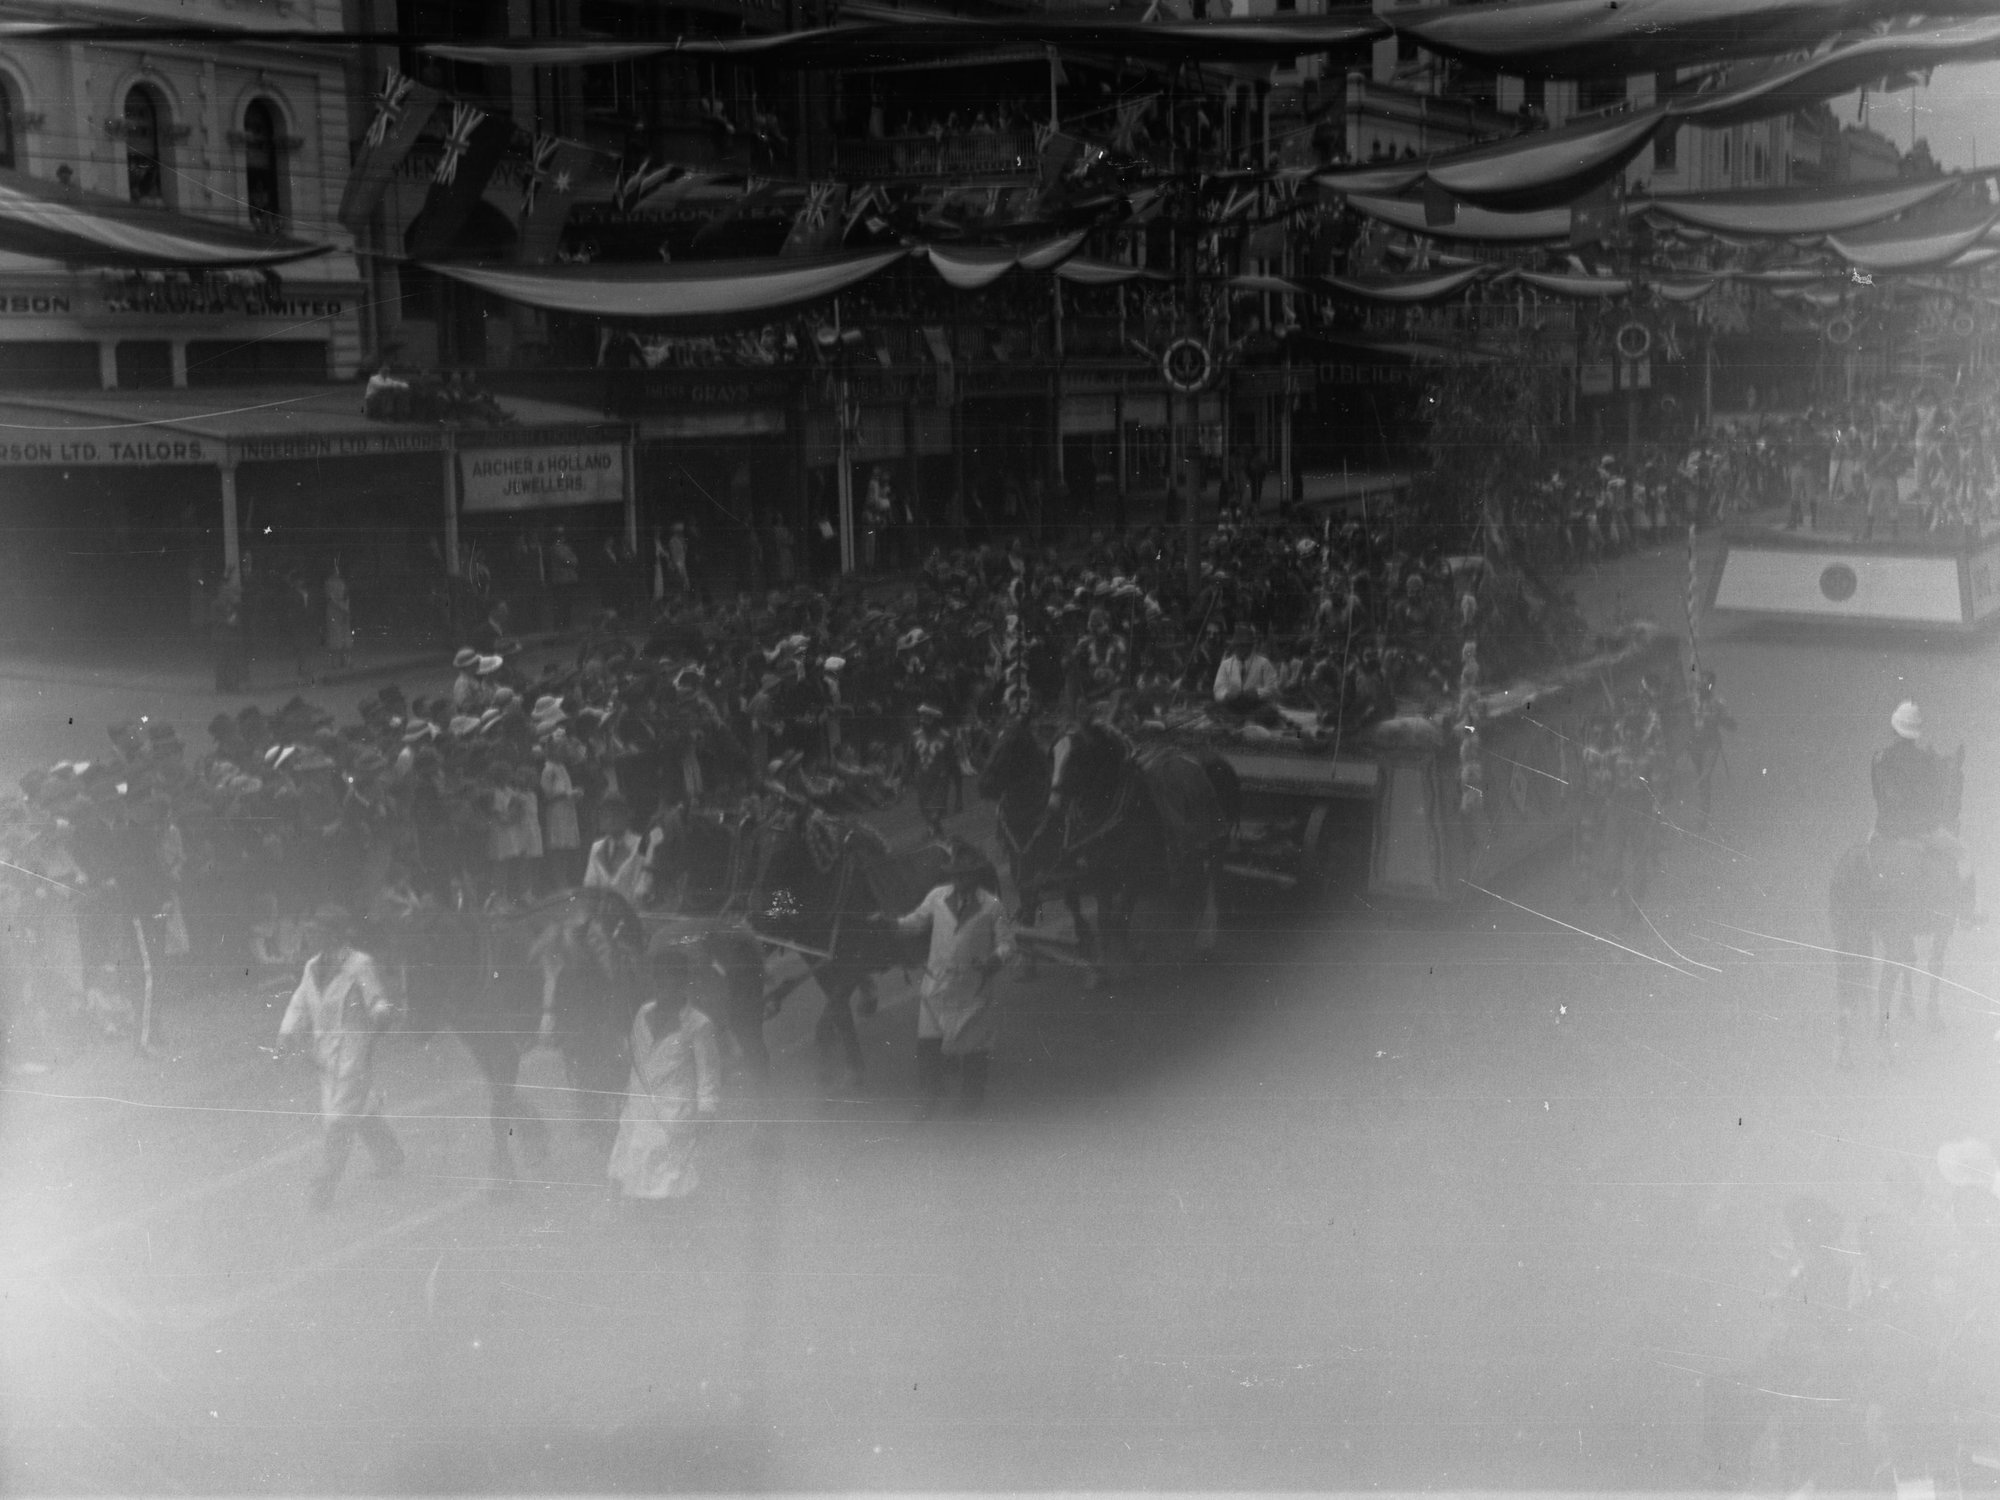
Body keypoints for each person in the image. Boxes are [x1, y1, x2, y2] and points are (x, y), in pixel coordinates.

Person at [278, 907, 404, 1211]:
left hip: (354, 1054)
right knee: (359, 1107)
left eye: (317, 930)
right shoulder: (312, 968)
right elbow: (300, 1003)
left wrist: (381, 1014)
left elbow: (376, 999)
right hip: (324, 1056)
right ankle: (390, 1155)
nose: (311, 935)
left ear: (334, 933)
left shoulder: (360, 964)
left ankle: (322, 1189)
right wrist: (286, 1034)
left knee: (338, 1122)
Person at [890, 841, 1014, 1118]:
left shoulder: (992, 907)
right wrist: (891, 924)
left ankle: (971, 1105)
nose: (960, 880)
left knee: (974, 1049)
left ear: (975, 876)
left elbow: (1008, 945)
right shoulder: (936, 897)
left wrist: (993, 960)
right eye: (956, 875)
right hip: (936, 986)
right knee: (927, 1045)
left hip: (972, 989)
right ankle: (927, 1097)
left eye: (966, 875)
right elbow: (915, 922)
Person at [606, 949, 722, 1207]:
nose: (664, 986)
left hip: (673, 1115)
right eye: (659, 979)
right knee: (633, 1180)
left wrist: (706, 1110)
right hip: (638, 1110)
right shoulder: (643, 1014)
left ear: (682, 983)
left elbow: (708, 1074)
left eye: (671, 979)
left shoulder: (699, 1025)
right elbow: (636, 1061)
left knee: (668, 1188)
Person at [1872, 700, 1979, 924]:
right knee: (1963, 854)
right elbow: (1932, 799)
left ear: (1894, 727)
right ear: (1916, 731)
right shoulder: (1925, 760)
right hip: (1919, 830)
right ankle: (1968, 914)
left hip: (1883, 830)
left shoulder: (1879, 757)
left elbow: (1877, 794)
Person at [584, 791, 659, 906]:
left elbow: (644, 887)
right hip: (605, 918)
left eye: (616, 813)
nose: (611, 819)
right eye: (606, 815)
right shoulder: (596, 848)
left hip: (634, 916)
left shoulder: (641, 845)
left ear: (627, 815)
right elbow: (590, 887)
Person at [911, 702, 955, 838]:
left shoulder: (946, 736)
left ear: (934, 719)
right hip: (922, 777)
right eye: (921, 717)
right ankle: (934, 828)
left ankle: (936, 829)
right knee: (924, 806)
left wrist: (958, 791)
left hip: (939, 778)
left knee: (936, 808)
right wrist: (903, 779)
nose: (922, 721)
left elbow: (952, 760)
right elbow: (910, 757)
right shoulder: (915, 735)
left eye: (926, 718)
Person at [1212, 623, 1279, 711]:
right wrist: (1226, 695)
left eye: (1245, 645)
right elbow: (1217, 690)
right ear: (1234, 646)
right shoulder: (1225, 665)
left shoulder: (1264, 663)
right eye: (1238, 645)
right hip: (1232, 708)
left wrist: (1258, 693)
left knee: (1268, 712)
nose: (1241, 648)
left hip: (1257, 708)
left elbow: (1274, 688)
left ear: (1251, 646)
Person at [323, 559, 352, 672]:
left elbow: (346, 595)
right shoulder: (329, 582)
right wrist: (343, 606)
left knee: (344, 635)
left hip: (342, 609)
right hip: (334, 610)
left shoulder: (342, 582)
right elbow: (330, 598)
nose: (337, 570)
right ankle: (335, 662)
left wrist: (345, 607)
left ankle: (345, 661)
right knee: (336, 636)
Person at [549, 529, 580, 631]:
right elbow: (565, 559)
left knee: (568, 604)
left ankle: (567, 626)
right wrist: (570, 560)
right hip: (561, 580)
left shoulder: (566, 547)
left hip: (569, 580)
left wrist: (571, 560)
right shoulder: (555, 548)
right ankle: (559, 627)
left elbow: (575, 559)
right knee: (561, 604)